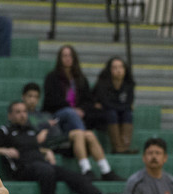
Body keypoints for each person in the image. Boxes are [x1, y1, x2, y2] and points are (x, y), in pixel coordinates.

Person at [0, 101, 102, 194]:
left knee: (72, 175)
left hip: (41, 164)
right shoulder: (5, 130)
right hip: (22, 168)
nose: (22, 115)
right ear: (10, 115)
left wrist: (46, 151)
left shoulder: (31, 130)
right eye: (18, 112)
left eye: (24, 112)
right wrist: (4, 150)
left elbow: (30, 147)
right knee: (46, 171)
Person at [43, 45, 122, 181]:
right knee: (70, 113)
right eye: (64, 55)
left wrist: (82, 110)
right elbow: (50, 101)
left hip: (74, 122)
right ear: (59, 58)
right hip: (57, 117)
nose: (68, 58)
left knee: (88, 134)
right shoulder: (52, 77)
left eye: (70, 55)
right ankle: (86, 167)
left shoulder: (80, 78)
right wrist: (72, 109)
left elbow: (88, 100)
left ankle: (105, 170)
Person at [22, 82, 123, 181]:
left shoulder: (45, 114)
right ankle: (86, 170)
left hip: (58, 139)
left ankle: (106, 170)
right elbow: (25, 133)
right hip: (47, 143)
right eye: (29, 96)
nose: (32, 100)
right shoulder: (22, 115)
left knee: (89, 134)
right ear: (23, 97)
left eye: (35, 97)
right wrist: (45, 127)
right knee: (78, 133)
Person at [93, 56, 137, 154]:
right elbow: (106, 103)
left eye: (121, 67)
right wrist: (120, 107)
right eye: (115, 67)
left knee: (128, 114)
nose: (118, 70)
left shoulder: (129, 84)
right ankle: (118, 148)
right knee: (112, 113)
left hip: (121, 111)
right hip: (103, 113)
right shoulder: (102, 84)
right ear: (110, 70)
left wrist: (121, 108)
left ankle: (125, 147)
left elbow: (129, 102)